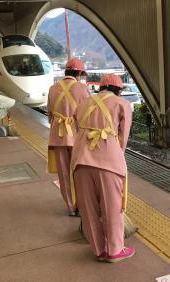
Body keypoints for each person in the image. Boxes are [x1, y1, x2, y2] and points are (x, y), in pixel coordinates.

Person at [70, 74, 134, 262]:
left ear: (100, 87)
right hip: (108, 161)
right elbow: (123, 138)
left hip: (81, 159)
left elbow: (77, 129)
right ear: (119, 90)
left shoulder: (83, 103)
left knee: (88, 208)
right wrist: (115, 153)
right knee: (112, 207)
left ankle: (99, 251)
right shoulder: (122, 104)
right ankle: (115, 250)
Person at [47, 58, 90, 216]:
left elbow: (49, 114)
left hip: (58, 136)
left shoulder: (53, 88)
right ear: (78, 73)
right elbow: (88, 114)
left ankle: (71, 207)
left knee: (64, 173)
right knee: (80, 172)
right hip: (77, 136)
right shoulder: (82, 89)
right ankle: (83, 204)